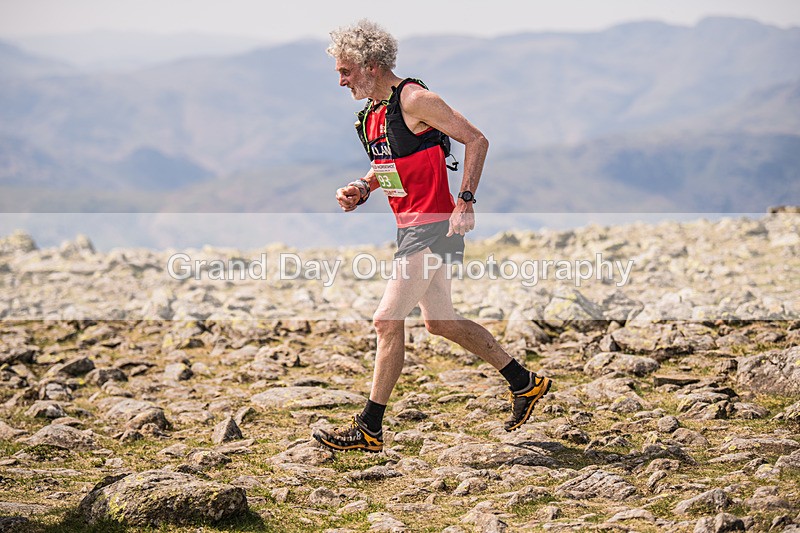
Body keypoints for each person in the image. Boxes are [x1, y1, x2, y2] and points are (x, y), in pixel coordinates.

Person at [313, 19, 551, 453]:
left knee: (387, 321)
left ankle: (369, 427)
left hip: (434, 226)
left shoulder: (417, 99)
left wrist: (466, 199)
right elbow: (389, 165)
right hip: (409, 226)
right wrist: (363, 189)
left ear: (370, 65)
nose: (341, 81)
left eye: (345, 71)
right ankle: (524, 382)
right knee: (440, 322)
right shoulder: (372, 115)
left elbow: (476, 140)